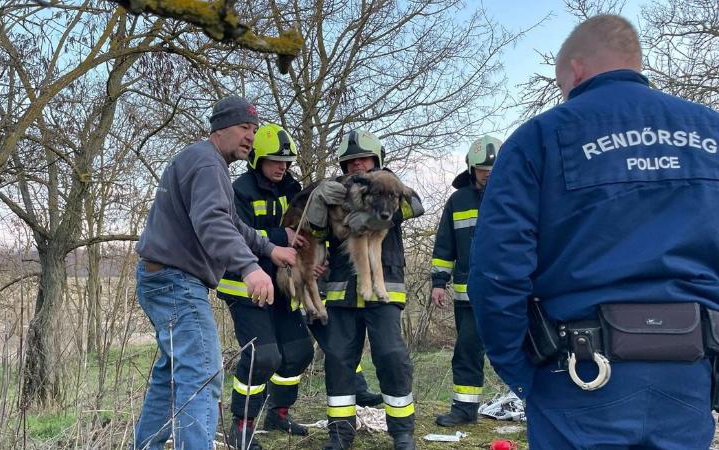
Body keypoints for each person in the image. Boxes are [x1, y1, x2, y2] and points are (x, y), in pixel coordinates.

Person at [469, 15, 719, 450]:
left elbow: (497, 272)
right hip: (689, 370)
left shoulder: (539, 138)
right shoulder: (711, 132)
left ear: (576, 69)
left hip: (577, 374)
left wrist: (523, 372)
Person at [133, 96, 297, 450]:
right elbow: (212, 222)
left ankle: (146, 446)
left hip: (162, 278)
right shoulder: (207, 163)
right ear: (219, 127)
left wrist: (271, 249)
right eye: (243, 128)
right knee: (202, 375)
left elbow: (234, 223)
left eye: (253, 130)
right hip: (177, 282)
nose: (250, 137)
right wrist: (250, 268)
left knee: (172, 377)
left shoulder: (205, 162)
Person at [308, 128, 425, 450]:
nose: (357, 165)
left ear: (377, 160)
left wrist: (372, 220)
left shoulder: (390, 185)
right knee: (339, 360)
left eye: (364, 159)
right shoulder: (337, 191)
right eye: (350, 162)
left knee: (391, 356)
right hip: (341, 290)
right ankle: (340, 434)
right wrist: (319, 200)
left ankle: (402, 431)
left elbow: (415, 205)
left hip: (384, 286)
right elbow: (317, 231)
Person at [215, 123, 313, 449]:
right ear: (256, 158)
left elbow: (303, 229)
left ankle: (278, 411)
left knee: (299, 352)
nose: (281, 167)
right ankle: (242, 425)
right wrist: (278, 237)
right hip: (245, 289)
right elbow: (234, 233)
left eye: (286, 162)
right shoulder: (238, 190)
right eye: (274, 161)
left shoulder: (293, 188)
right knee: (264, 357)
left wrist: (312, 256)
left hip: (284, 286)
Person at [430, 135, 502, 426]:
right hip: (468, 297)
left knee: (522, 350)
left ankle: (533, 406)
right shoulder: (457, 201)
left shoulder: (516, 195)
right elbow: (444, 246)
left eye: (493, 168)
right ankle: (465, 410)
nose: (488, 173)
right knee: (467, 351)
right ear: (471, 168)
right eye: (483, 168)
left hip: (509, 294)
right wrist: (438, 282)